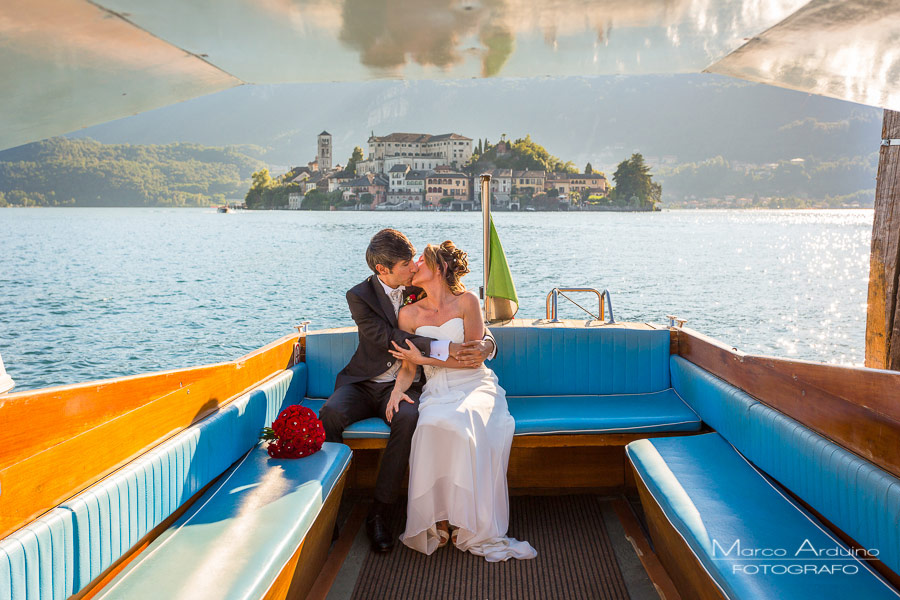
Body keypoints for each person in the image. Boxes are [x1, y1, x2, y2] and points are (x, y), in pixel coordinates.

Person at [318, 229, 496, 553]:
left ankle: (379, 515)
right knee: (329, 413)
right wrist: (454, 348)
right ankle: (326, 512)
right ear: (382, 270)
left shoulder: (416, 284)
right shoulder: (358, 296)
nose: (414, 267)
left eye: (413, 261)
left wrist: (486, 344)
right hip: (363, 383)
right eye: (405, 264)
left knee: (409, 418)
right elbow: (393, 340)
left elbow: (454, 306)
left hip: (406, 384)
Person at [388, 241, 537, 562]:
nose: (414, 265)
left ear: (439, 269)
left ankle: (468, 520)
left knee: (464, 423)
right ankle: (438, 518)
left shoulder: (468, 301)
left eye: (420, 261)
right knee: (430, 425)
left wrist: (428, 357)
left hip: (475, 385)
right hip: (438, 388)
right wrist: (398, 389)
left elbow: (473, 359)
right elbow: (409, 365)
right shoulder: (408, 313)